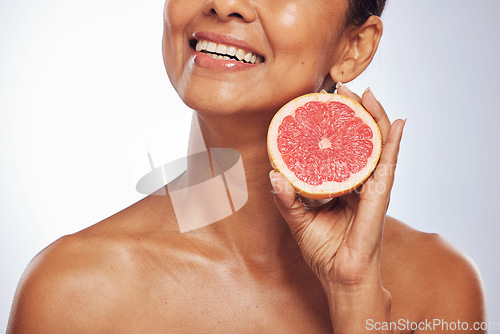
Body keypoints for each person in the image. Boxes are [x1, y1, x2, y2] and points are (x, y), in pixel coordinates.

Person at [7, 0, 486, 332]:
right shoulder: (72, 293)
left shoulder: (438, 287)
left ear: (353, 47)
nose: (224, 4)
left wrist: (355, 298)